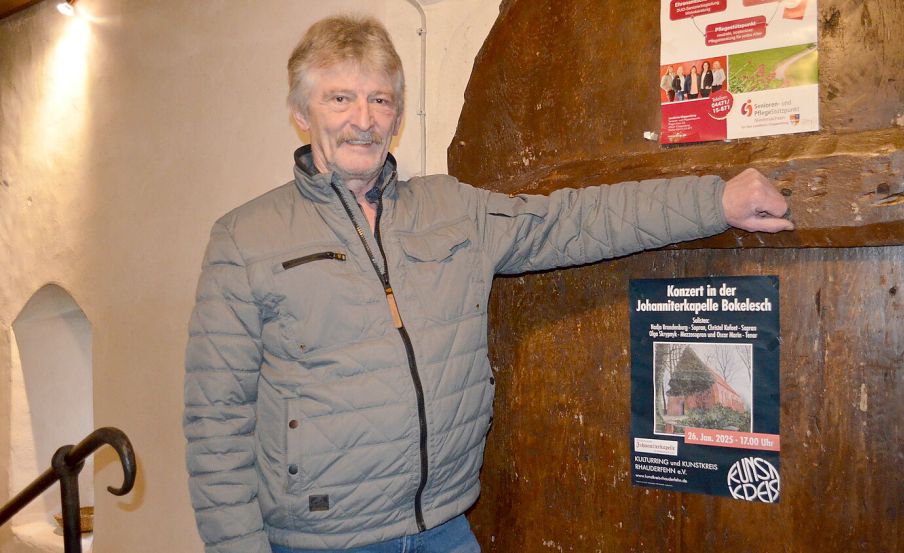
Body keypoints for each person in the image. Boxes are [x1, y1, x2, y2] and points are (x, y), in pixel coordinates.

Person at [183, 14, 793, 553]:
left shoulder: (451, 209)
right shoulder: (245, 239)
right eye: (340, 99)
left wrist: (715, 198)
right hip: (321, 540)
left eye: (381, 100)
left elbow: (577, 221)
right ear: (300, 112)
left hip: (445, 527)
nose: (363, 121)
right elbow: (216, 420)